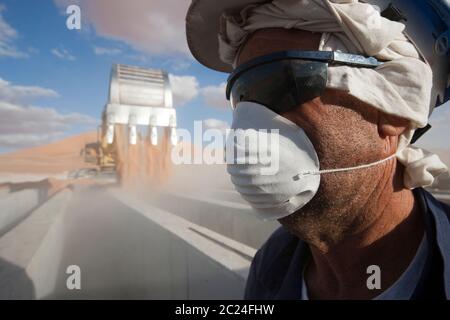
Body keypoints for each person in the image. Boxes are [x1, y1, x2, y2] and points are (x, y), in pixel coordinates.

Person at [186, 0, 450, 299]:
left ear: (395, 112)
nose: (247, 127)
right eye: (241, 93)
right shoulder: (271, 266)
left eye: (279, 83)